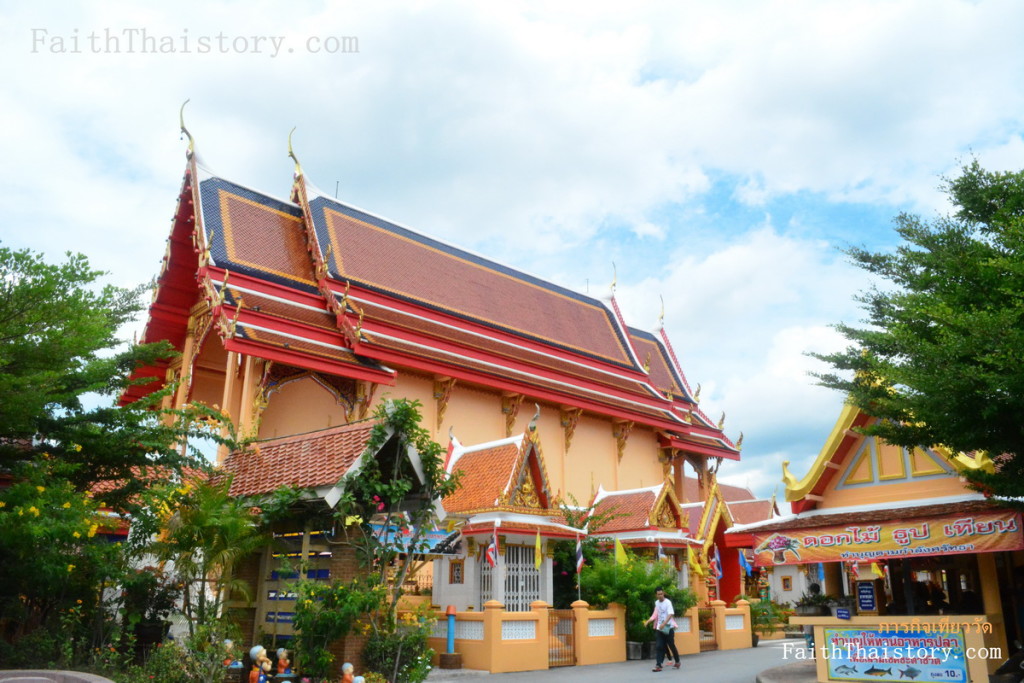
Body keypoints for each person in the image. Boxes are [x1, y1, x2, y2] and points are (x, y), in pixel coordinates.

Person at [643, 587, 680, 672]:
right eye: (658, 594)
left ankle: (677, 661)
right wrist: (648, 621)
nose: (660, 596)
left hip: (668, 628)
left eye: (662, 594)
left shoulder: (668, 602)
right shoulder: (657, 603)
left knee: (671, 645)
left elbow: (670, 613)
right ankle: (658, 665)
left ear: (663, 593)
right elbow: (655, 614)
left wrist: (664, 623)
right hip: (660, 629)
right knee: (659, 646)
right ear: (656, 595)